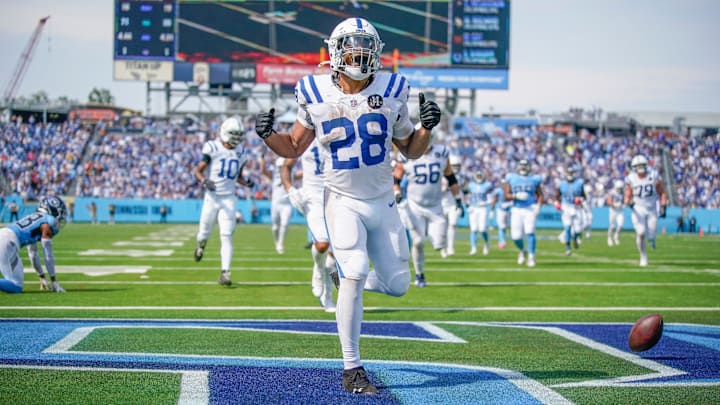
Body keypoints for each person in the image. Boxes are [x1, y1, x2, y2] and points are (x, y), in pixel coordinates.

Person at [253, 17, 441, 395]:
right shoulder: (314, 89)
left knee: (398, 284)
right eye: (354, 47)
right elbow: (293, 146)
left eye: (367, 47)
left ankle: (342, 282)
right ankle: (352, 367)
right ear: (336, 52)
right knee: (354, 268)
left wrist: (426, 129)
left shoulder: (394, 88)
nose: (361, 54)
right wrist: (268, 136)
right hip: (341, 200)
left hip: (383, 200)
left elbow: (410, 150)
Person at [392, 140, 463, 287]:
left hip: (436, 207)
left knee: (438, 244)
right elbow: (396, 178)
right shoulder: (406, 155)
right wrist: (397, 192)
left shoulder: (441, 152)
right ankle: (420, 275)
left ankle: (433, 241)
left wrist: (457, 199)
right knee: (418, 242)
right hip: (414, 206)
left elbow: (450, 177)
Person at [193, 116, 254, 285]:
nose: (236, 138)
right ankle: (201, 245)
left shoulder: (241, 152)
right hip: (212, 197)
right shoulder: (212, 147)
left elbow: (238, 177)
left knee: (226, 235)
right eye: (234, 134)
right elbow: (197, 171)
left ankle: (225, 272)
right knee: (204, 232)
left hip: (229, 198)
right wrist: (204, 181)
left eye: (238, 134)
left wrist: (247, 182)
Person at [279, 139, 337, 312]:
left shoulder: (342, 133)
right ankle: (318, 269)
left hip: (338, 196)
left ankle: (327, 298)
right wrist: (290, 189)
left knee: (335, 256)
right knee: (322, 244)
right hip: (313, 197)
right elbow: (286, 166)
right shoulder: (306, 139)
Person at [0, 196, 68, 293]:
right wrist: (54, 281)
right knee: (16, 286)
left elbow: (33, 253)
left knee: (14, 285)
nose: (59, 221)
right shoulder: (47, 223)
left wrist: (42, 276)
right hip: (8, 242)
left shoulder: (36, 219)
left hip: (5, 236)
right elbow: (48, 255)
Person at [624, 154, 668, 267]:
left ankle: (652, 239)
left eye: (642, 165)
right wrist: (628, 202)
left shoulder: (653, 176)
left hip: (652, 208)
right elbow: (627, 195)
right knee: (641, 232)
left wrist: (663, 206)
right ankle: (643, 256)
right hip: (638, 208)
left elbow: (662, 193)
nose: (640, 168)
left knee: (651, 234)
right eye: (638, 166)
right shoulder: (631, 178)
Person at [504, 159, 543, 267]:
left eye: (525, 166)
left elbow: (540, 195)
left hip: (530, 208)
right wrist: (516, 196)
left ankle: (531, 256)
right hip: (517, 209)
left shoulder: (534, 179)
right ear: (517, 167)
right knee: (515, 236)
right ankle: (522, 250)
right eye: (521, 166)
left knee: (530, 232)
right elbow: (506, 195)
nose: (523, 168)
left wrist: (538, 206)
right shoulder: (512, 178)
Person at [262, 155, 293, 254]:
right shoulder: (274, 175)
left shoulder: (291, 175)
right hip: (276, 204)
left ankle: (281, 243)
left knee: (285, 224)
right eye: (280, 167)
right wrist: (262, 158)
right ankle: (276, 242)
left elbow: (300, 174)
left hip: (287, 203)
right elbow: (263, 171)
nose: (281, 169)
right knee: (275, 226)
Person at [555, 166, 585, 256]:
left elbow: (584, 196)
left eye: (572, 173)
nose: (570, 175)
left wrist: (580, 199)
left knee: (578, 230)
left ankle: (575, 238)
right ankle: (568, 248)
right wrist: (557, 203)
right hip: (566, 207)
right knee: (567, 228)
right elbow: (557, 196)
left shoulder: (579, 183)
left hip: (576, 207)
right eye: (569, 173)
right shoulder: (562, 184)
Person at [440, 154, 465, 257]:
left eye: (457, 166)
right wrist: (443, 189)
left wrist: (463, 204)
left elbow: (462, 192)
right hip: (442, 204)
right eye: (454, 166)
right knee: (443, 227)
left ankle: (450, 247)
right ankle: (443, 248)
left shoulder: (461, 178)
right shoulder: (441, 176)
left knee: (453, 224)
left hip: (453, 205)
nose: (456, 168)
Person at [466, 170, 493, 256]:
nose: (479, 178)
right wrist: (468, 205)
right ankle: (473, 248)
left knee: (482, 229)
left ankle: (486, 243)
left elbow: (491, 197)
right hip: (473, 208)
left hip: (482, 208)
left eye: (480, 176)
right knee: (473, 229)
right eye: (478, 176)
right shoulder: (471, 185)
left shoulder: (487, 185)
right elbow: (467, 196)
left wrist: (485, 202)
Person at [491, 180, 511, 249]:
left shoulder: (510, 190)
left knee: (505, 227)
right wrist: (492, 210)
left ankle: (503, 240)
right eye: (503, 184)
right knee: (501, 226)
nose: (504, 185)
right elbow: (494, 199)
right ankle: (502, 241)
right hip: (500, 209)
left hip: (508, 210)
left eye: (505, 184)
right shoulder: (498, 190)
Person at [606, 180, 625, 246]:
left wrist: (623, 204)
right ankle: (609, 238)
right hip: (613, 210)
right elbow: (609, 201)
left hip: (620, 210)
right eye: (618, 188)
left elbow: (624, 200)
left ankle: (616, 237)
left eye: (621, 188)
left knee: (621, 225)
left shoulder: (623, 192)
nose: (620, 189)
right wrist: (615, 204)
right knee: (612, 226)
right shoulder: (612, 192)